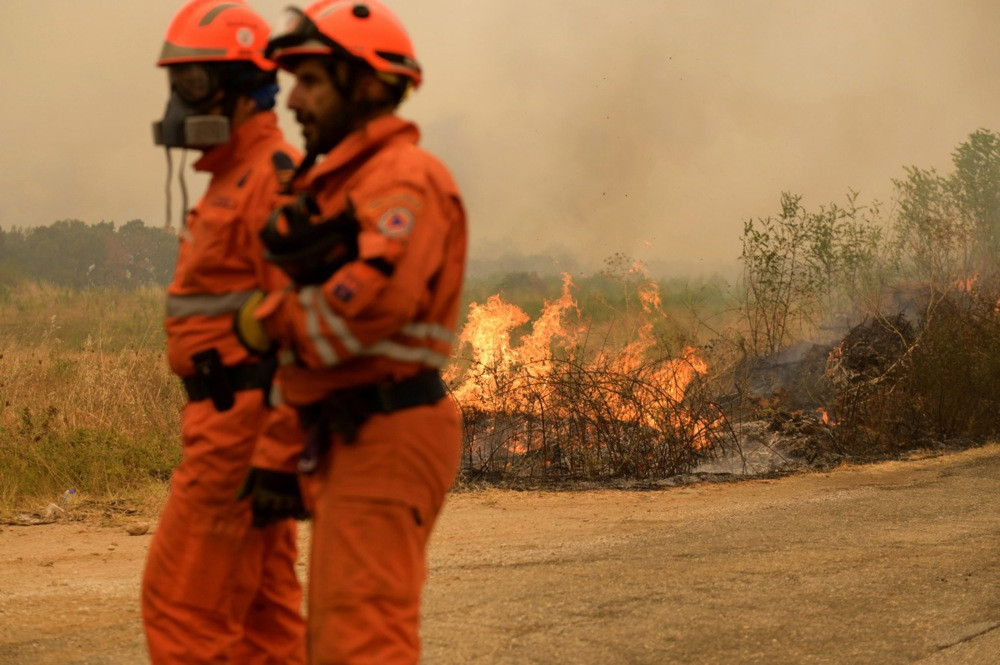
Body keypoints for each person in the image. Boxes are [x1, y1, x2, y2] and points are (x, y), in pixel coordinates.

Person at [233, 1, 468, 661]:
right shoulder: (341, 182)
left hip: (389, 430)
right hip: (347, 430)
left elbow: (371, 307)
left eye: (310, 80)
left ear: (365, 83)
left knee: (361, 641)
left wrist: (267, 319)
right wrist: (279, 454)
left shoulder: (402, 178)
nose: (292, 99)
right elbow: (311, 354)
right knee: (335, 635)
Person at [141, 1, 306, 662]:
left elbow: (300, 327)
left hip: (239, 431)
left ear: (245, 89)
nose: (181, 103)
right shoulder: (232, 178)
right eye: (176, 84)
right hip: (236, 426)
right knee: (266, 622)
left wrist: (276, 447)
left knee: (183, 609)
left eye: (196, 83)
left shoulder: (271, 180)